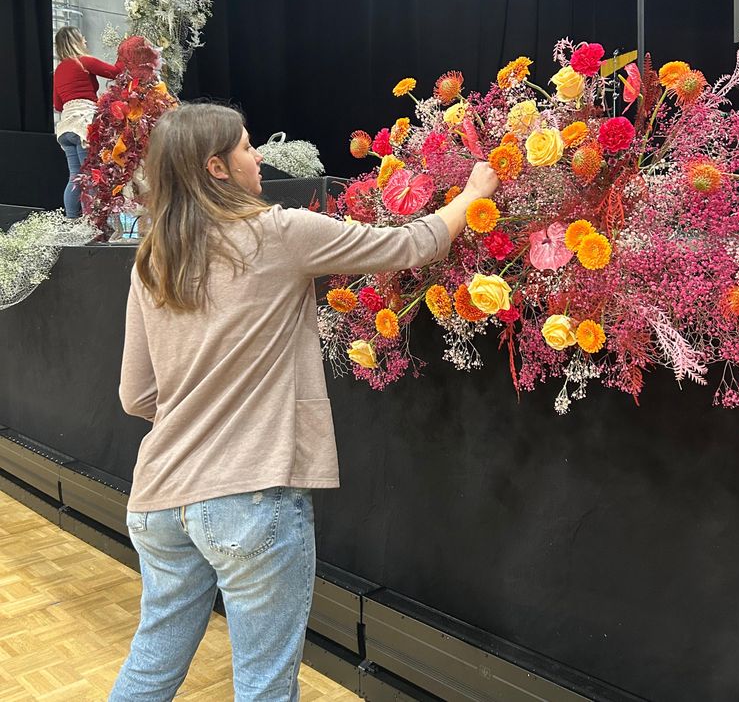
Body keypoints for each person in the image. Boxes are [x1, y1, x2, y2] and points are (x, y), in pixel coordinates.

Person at [110, 102, 499, 701]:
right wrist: (473, 193)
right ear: (216, 167)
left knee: (151, 667)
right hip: (250, 495)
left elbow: (135, 394)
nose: (257, 156)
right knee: (266, 686)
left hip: (159, 501)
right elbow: (412, 245)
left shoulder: (152, 261)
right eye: (245, 146)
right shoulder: (276, 232)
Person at [52, 26, 122, 217]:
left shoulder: (58, 70)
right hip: (83, 125)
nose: (85, 40)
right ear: (75, 40)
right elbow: (116, 72)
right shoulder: (84, 61)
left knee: (75, 176)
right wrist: (125, 51)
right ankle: (92, 222)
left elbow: (58, 104)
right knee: (91, 176)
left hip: (66, 128)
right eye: (82, 37)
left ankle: (72, 221)